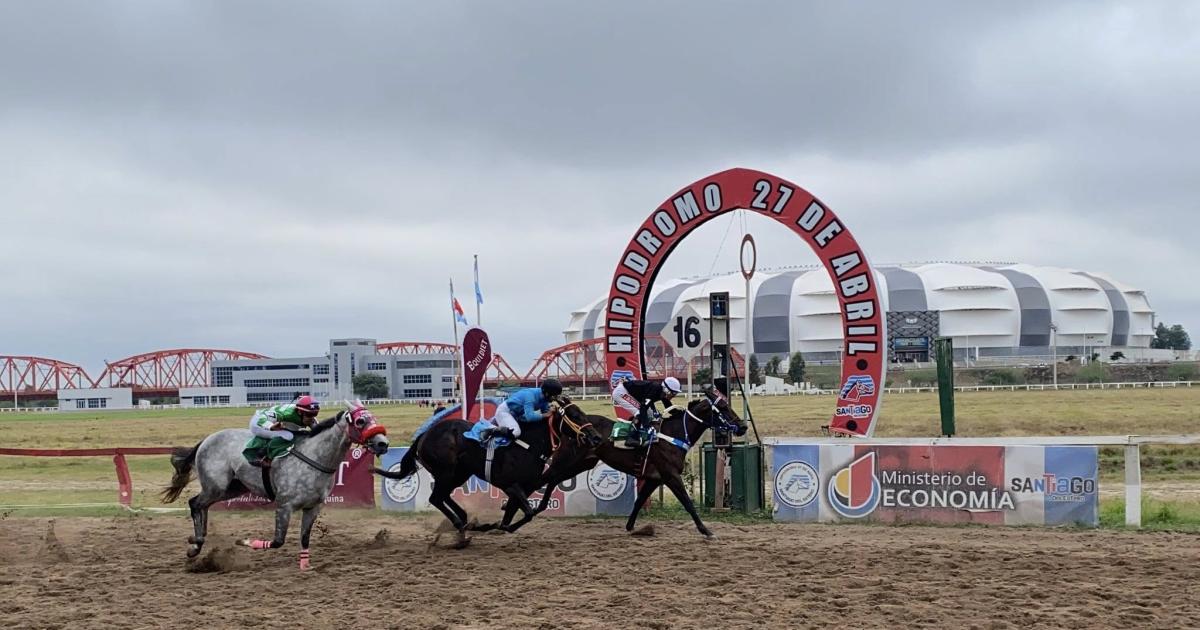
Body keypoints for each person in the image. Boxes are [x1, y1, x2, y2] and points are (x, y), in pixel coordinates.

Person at [242, 395, 322, 467]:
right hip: (258, 423)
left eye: (315, 414)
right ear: (300, 412)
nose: (312, 418)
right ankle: (261, 453)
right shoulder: (286, 414)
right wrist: (271, 426)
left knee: (299, 433)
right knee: (288, 436)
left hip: (273, 423)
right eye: (309, 415)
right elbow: (260, 419)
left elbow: (319, 432)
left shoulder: (307, 416)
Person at [481, 378, 563, 442]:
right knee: (516, 432)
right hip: (505, 412)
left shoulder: (545, 399)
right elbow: (530, 417)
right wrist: (546, 414)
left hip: (517, 415)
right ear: (547, 393)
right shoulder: (530, 396)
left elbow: (546, 411)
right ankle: (490, 430)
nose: (555, 398)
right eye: (554, 396)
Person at [612, 376, 682, 447]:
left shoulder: (662, 391)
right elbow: (643, 408)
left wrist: (681, 413)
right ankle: (632, 438)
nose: (674, 396)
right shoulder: (655, 389)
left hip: (630, 393)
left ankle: (637, 425)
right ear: (667, 390)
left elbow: (669, 406)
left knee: (651, 414)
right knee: (640, 413)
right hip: (621, 392)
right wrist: (647, 427)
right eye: (674, 393)